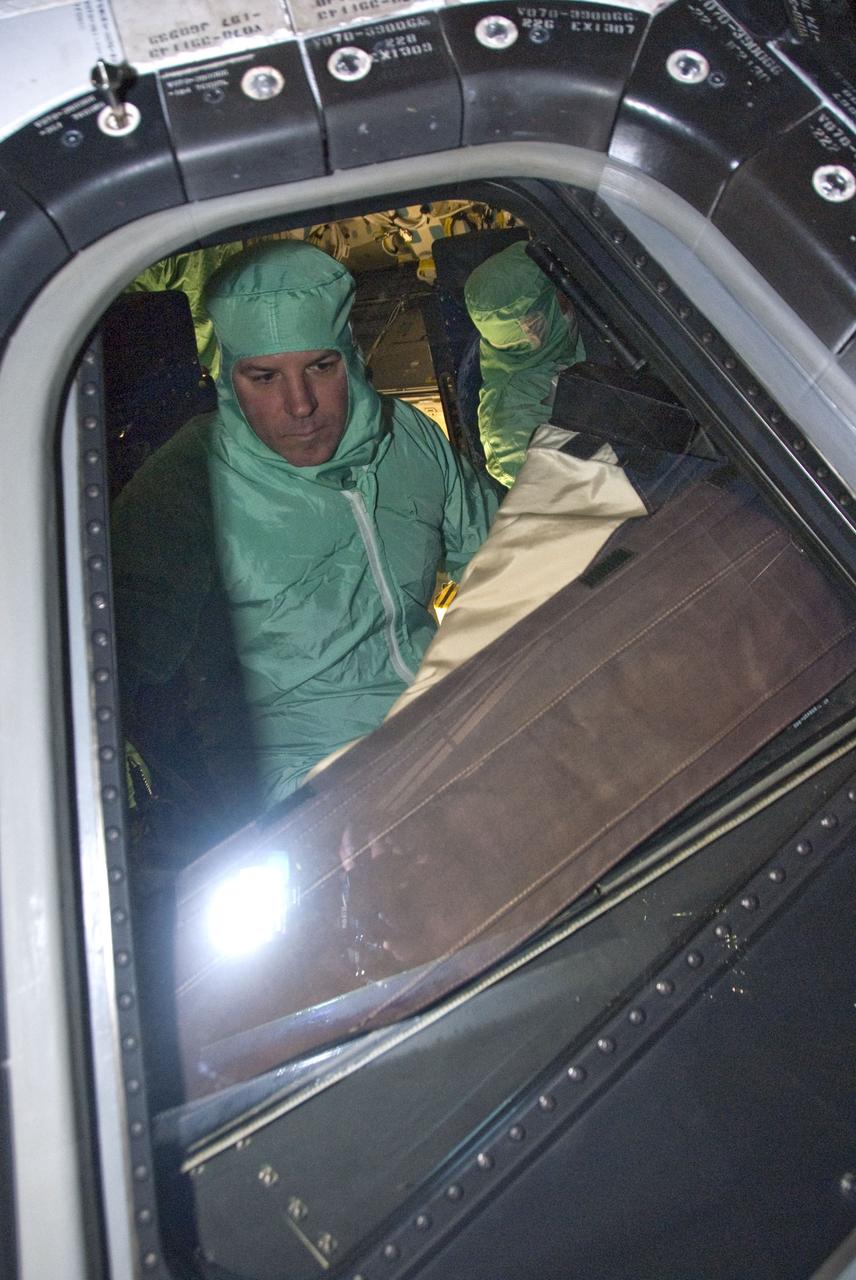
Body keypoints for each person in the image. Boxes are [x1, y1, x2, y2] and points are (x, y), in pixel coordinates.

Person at [111, 240, 497, 834]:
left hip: (450, 726)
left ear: (352, 355)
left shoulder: (409, 437)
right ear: (230, 377)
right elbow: (115, 662)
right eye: (264, 376)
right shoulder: (190, 480)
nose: (299, 405)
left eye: (321, 366)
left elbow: (497, 556)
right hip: (304, 791)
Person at [464, 240, 585, 490]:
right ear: (534, 329)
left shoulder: (550, 353)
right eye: (561, 300)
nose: (571, 304)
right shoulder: (512, 429)